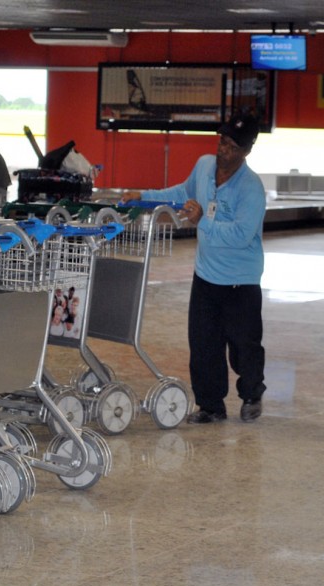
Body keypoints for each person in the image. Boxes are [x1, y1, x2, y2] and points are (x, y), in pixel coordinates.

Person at [122, 113, 267, 423]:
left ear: (246, 151)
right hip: (206, 276)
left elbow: (242, 236)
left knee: (244, 347)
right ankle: (211, 406)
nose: (223, 150)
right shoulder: (203, 166)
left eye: (232, 146)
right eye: (222, 141)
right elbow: (181, 192)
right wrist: (143, 197)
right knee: (203, 344)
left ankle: (252, 393)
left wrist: (204, 221)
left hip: (240, 281)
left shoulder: (251, 188)